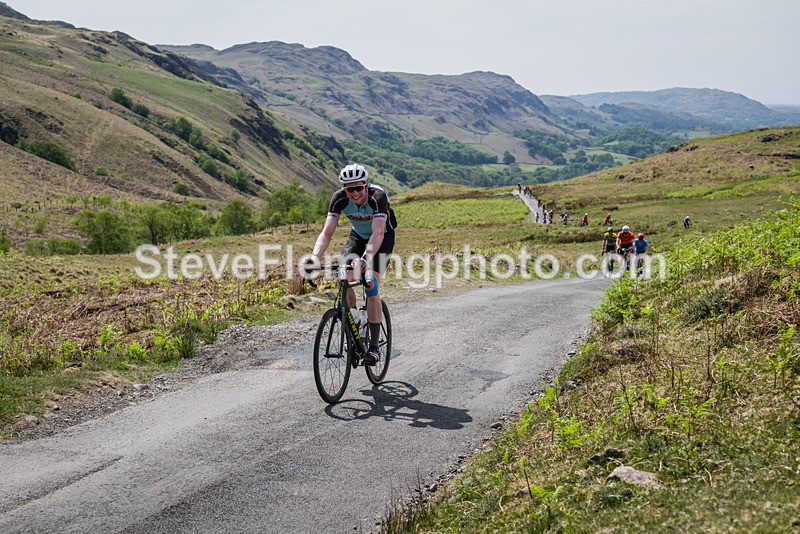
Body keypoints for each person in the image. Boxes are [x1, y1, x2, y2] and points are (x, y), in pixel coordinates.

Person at [309, 164, 396, 365]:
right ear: (344, 189)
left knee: (370, 283)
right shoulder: (338, 198)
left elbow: (378, 233)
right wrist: (314, 258)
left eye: (359, 188)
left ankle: (374, 348)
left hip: (381, 239)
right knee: (343, 276)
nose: (355, 193)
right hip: (357, 236)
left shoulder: (378, 196)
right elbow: (327, 233)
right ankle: (356, 320)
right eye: (350, 189)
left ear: (366, 185)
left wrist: (365, 260)